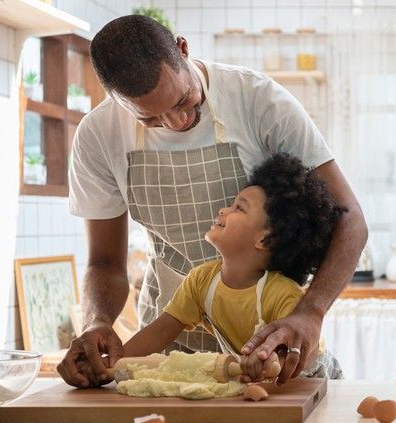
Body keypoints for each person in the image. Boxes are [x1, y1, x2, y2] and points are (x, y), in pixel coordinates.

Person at [58, 14, 367, 388]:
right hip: (169, 353)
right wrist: (97, 325)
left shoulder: (257, 100)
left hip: (266, 350)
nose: (177, 121)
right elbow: (105, 263)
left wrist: (310, 312)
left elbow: (349, 219)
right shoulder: (97, 136)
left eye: (184, 100)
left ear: (183, 49)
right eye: (151, 119)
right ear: (117, 100)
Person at [73, 154, 346, 387]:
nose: (224, 210)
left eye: (239, 207)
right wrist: (110, 367)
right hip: (265, 388)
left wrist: (267, 360)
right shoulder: (201, 281)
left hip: (313, 382)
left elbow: (290, 356)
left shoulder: (281, 294)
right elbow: (160, 331)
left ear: (264, 239)